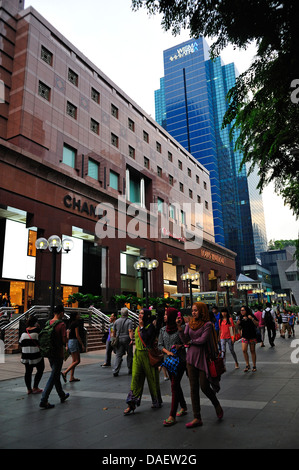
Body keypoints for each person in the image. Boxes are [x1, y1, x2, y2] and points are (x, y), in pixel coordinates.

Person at [177, 302, 223, 428]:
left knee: (204, 386)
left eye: (196, 310)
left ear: (202, 311)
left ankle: (216, 404)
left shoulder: (207, 324)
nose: (193, 312)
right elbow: (184, 339)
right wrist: (180, 329)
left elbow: (203, 340)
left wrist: (191, 342)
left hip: (203, 358)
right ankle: (197, 417)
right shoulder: (189, 323)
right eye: (192, 310)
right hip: (191, 359)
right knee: (193, 388)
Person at [124, 308, 162, 414]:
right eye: (139, 313)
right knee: (135, 378)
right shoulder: (137, 328)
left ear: (148, 316)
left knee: (152, 379)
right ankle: (131, 404)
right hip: (138, 356)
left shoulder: (150, 327)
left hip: (148, 356)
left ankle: (156, 401)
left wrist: (141, 327)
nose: (140, 315)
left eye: (142, 313)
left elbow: (146, 338)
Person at [158, 307, 187, 426]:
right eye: (164, 315)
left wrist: (180, 346)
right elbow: (160, 345)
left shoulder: (181, 328)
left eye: (166, 314)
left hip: (179, 361)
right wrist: (167, 352)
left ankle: (172, 415)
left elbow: (186, 342)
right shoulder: (163, 330)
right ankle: (184, 406)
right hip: (168, 362)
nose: (164, 316)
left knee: (174, 385)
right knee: (175, 385)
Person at [39, 304, 69, 409]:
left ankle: (62, 394)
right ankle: (44, 399)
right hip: (58, 353)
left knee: (55, 374)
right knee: (53, 376)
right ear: (61, 313)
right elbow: (64, 340)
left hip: (49, 352)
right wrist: (67, 335)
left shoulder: (48, 322)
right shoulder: (61, 324)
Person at [19, 315, 45, 395]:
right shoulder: (38, 331)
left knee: (28, 371)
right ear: (36, 322)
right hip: (36, 354)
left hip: (26, 354)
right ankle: (35, 387)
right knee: (40, 369)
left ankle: (29, 389)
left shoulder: (24, 332)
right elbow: (42, 342)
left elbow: (20, 343)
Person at [62, 311, 85, 382]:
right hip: (74, 342)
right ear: (75, 316)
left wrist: (66, 344)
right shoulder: (76, 323)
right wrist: (82, 344)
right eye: (78, 314)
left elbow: (67, 334)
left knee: (74, 360)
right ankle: (65, 372)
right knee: (77, 361)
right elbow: (77, 335)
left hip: (70, 342)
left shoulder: (70, 324)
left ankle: (71, 377)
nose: (79, 315)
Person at [112, 307, 134, 377]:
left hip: (119, 339)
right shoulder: (129, 321)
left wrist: (113, 340)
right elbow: (130, 330)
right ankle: (130, 369)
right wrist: (131, 339)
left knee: (118, 355)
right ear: (127, 314)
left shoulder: (116, 321)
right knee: (129, 354)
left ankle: (116, 370)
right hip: (127, 339)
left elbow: (113, 332)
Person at [237, 306, 259, 372]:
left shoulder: (251, 316)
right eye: (241, 310)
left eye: (243, 310)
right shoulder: (240, 317)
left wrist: (252, 318)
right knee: (244, 350)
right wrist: (238, 324)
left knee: (252, 351)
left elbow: (257, 324)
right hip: (244, 336)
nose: (242, 311)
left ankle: (254, 365)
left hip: (252, 335)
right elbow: (239, 327)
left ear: (246, 310)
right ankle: (247, 364)